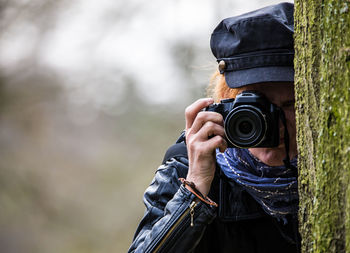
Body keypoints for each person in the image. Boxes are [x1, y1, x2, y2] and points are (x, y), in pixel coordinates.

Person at [128, 2, 300, 253]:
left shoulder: (335, 160)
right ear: (227, 101)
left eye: (290, 104)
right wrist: (196, 189)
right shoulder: (188, 166)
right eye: (258, 106)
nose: (273, 122)